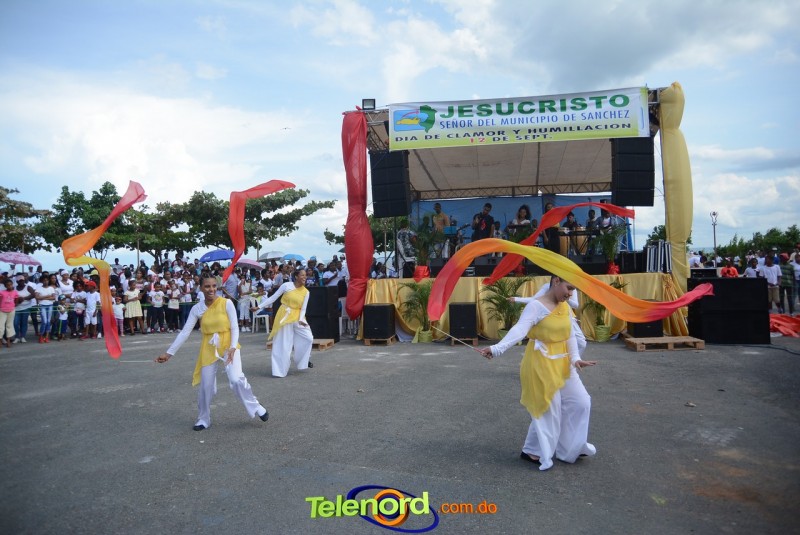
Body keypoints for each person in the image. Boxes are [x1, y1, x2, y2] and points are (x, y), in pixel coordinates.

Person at [479, 276, 597, 471]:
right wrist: (497, 349)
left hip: (564, 363)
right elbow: (520, 330)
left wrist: (576, 358)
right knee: (548, 408)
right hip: (540, 362)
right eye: (569, 288)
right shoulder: (535, 306)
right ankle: (532, 451)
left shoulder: (565, 306)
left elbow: (569, 335)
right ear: (556, 281)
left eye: (573, 290)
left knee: (581, 402)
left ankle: (571, 447)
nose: (571, 294)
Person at [155, 274, 269, 431]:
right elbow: (185, 332)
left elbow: (234, 327)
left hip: (228, 343)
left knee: (236, 379)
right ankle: (203, 419)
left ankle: (255, 406)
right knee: (206, 385)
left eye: (214, 286)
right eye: (207, 286)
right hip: (209, 346)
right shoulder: (197, 308)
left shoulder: (226, 303)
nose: (211, 289)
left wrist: (232, 347)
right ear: (201, 288)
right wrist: (169, 353)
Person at [253, 267, 313, 378]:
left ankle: (301, 360)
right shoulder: (286, 286)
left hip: (298, 317)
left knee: (308, 338)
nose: (305, 277)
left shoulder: (306, 292)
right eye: (302, 275)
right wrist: (259, 307)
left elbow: (303, 308)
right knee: (283, 343)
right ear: (296, 276)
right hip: (285, 315)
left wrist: (301, 320)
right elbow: (273, 298)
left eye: (306, 275)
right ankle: (279, 371)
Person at [35, 276, 57, 343]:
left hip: (50, 305)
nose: (46, 281)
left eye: (47, 280)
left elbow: (54, 298)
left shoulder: (51, 288)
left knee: (48, 321)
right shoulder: (39, 288)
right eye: (44, 280)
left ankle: (46, 336)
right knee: (44, 321)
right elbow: (37, 297)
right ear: (42, 281)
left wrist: (42, 298)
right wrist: (47, 296)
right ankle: (41, 336)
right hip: (42, 306)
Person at [0, 279, 20, 348]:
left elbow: (16, 301)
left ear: (12, 285)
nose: (10, 286)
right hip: (2, 311)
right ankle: (0, 340)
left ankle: (8, 340)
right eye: (8, 285)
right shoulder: (2, 292)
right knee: (1, 326)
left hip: (11, 311)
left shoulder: (15, 292)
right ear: (5, 286)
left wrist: (13, 306)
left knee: (9, 325)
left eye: (11, 285)